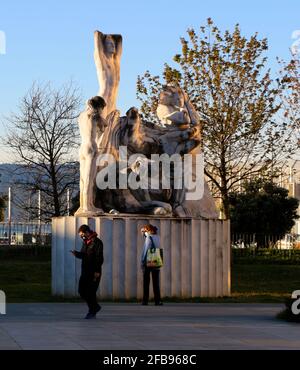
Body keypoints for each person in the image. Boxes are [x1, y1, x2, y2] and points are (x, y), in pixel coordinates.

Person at [70, 224, 104, 319]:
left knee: (90, 292)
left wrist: (97, 271)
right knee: (81, 291)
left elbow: (99, 258)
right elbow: (84, 255)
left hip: (94, 271)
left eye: (82, 234)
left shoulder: (97, 242)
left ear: (87, 232)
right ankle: (95, 307)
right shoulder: (86, 242)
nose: (81, 236)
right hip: (85, 270)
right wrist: (76, 253)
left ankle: (92, 311)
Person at [140, 224, 163, 306]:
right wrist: (145, 234)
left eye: (145, 231)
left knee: (146, 282)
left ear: (148, 230)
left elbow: (146, 250)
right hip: (156, 261)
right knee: (156, 282)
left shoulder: (149, 238)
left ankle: (145, 300)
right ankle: (158, 300)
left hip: (148, 262)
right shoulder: (157, 237)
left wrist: (142, 262)